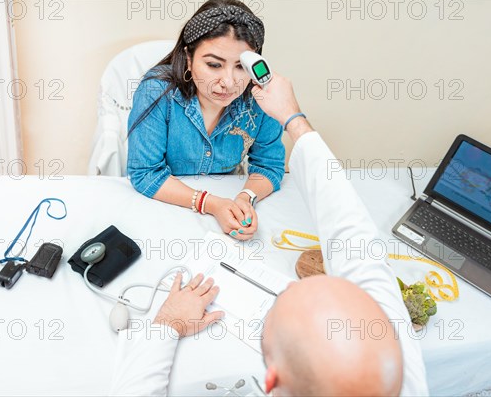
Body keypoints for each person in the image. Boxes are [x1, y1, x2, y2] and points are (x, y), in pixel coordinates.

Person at [109, 73, 429, 396]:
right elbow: (354, 237)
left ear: (270, 382)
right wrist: (294, 118)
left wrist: (166, 325)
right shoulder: (398, 360)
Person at [127, 0, 285, 241]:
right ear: (188, 58)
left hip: (228, 198)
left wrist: (245, 198)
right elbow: (145, 173)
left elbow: (268, 165)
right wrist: (211, 204)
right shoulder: (156, 92)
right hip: (162, 208)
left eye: (241, 67)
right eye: (214, 64)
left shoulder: (260, 96)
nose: (229, 82)